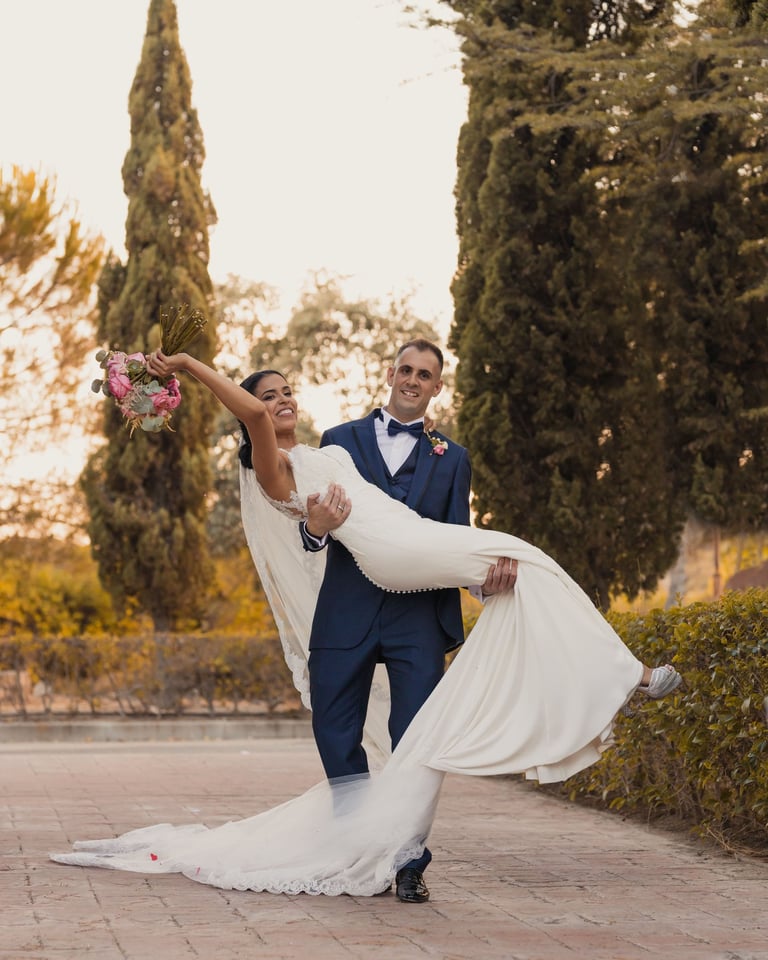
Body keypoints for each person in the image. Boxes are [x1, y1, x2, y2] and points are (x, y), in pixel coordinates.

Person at [50, 350, 682, 896]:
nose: (280, 402)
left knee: (527, 569)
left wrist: (475, 581)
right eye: (268, 397)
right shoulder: (273, 464)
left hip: (415, 552)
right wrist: (188, 365)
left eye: (286, 392)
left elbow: (445, 527)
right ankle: (625, 676)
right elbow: (260, 437)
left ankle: (617, 677)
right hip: (385, 556)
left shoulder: (345, 451)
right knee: (525, 563)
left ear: (436, 385)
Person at [294, 339, 516, 903]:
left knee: (416, 742)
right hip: (346, 609)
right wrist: (316, 528)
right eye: (406, 370)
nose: (413, 380)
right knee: (333, 730)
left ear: (437, 387)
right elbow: (313, 529)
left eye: (425, 375)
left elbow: (453, 538)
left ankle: (409, 861)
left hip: (418, 616)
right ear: (390, 374)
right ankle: (358, 846)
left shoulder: (453, 458)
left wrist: (481, 583)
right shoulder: (337, 441)